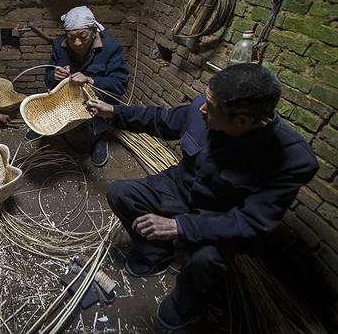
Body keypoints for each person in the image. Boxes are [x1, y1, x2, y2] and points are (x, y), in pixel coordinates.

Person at [86, 63, 318, 329]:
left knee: (205, 261)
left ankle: (183, 304)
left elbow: (250, 222)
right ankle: (155, 253)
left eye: (210, 105)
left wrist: (180, 226)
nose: (201, 109)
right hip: (179, 188)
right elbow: (160, 119)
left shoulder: (292, 159)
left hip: (218, 217)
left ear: (242, 121)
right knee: (121, 193)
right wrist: (115, 112)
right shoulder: (204, 109)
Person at [41, 5, 129, 167]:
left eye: (83, 36)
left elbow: (120, 84)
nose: (77, 43)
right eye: (71, 37)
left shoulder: (110, 47)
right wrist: (53, 76)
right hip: (69, 100)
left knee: (98, 105)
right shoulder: (59, 45)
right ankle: (56, 128)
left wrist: (90, 80)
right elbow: (47, 77)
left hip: (97, 100)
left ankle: (99, 138)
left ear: (94, 31)